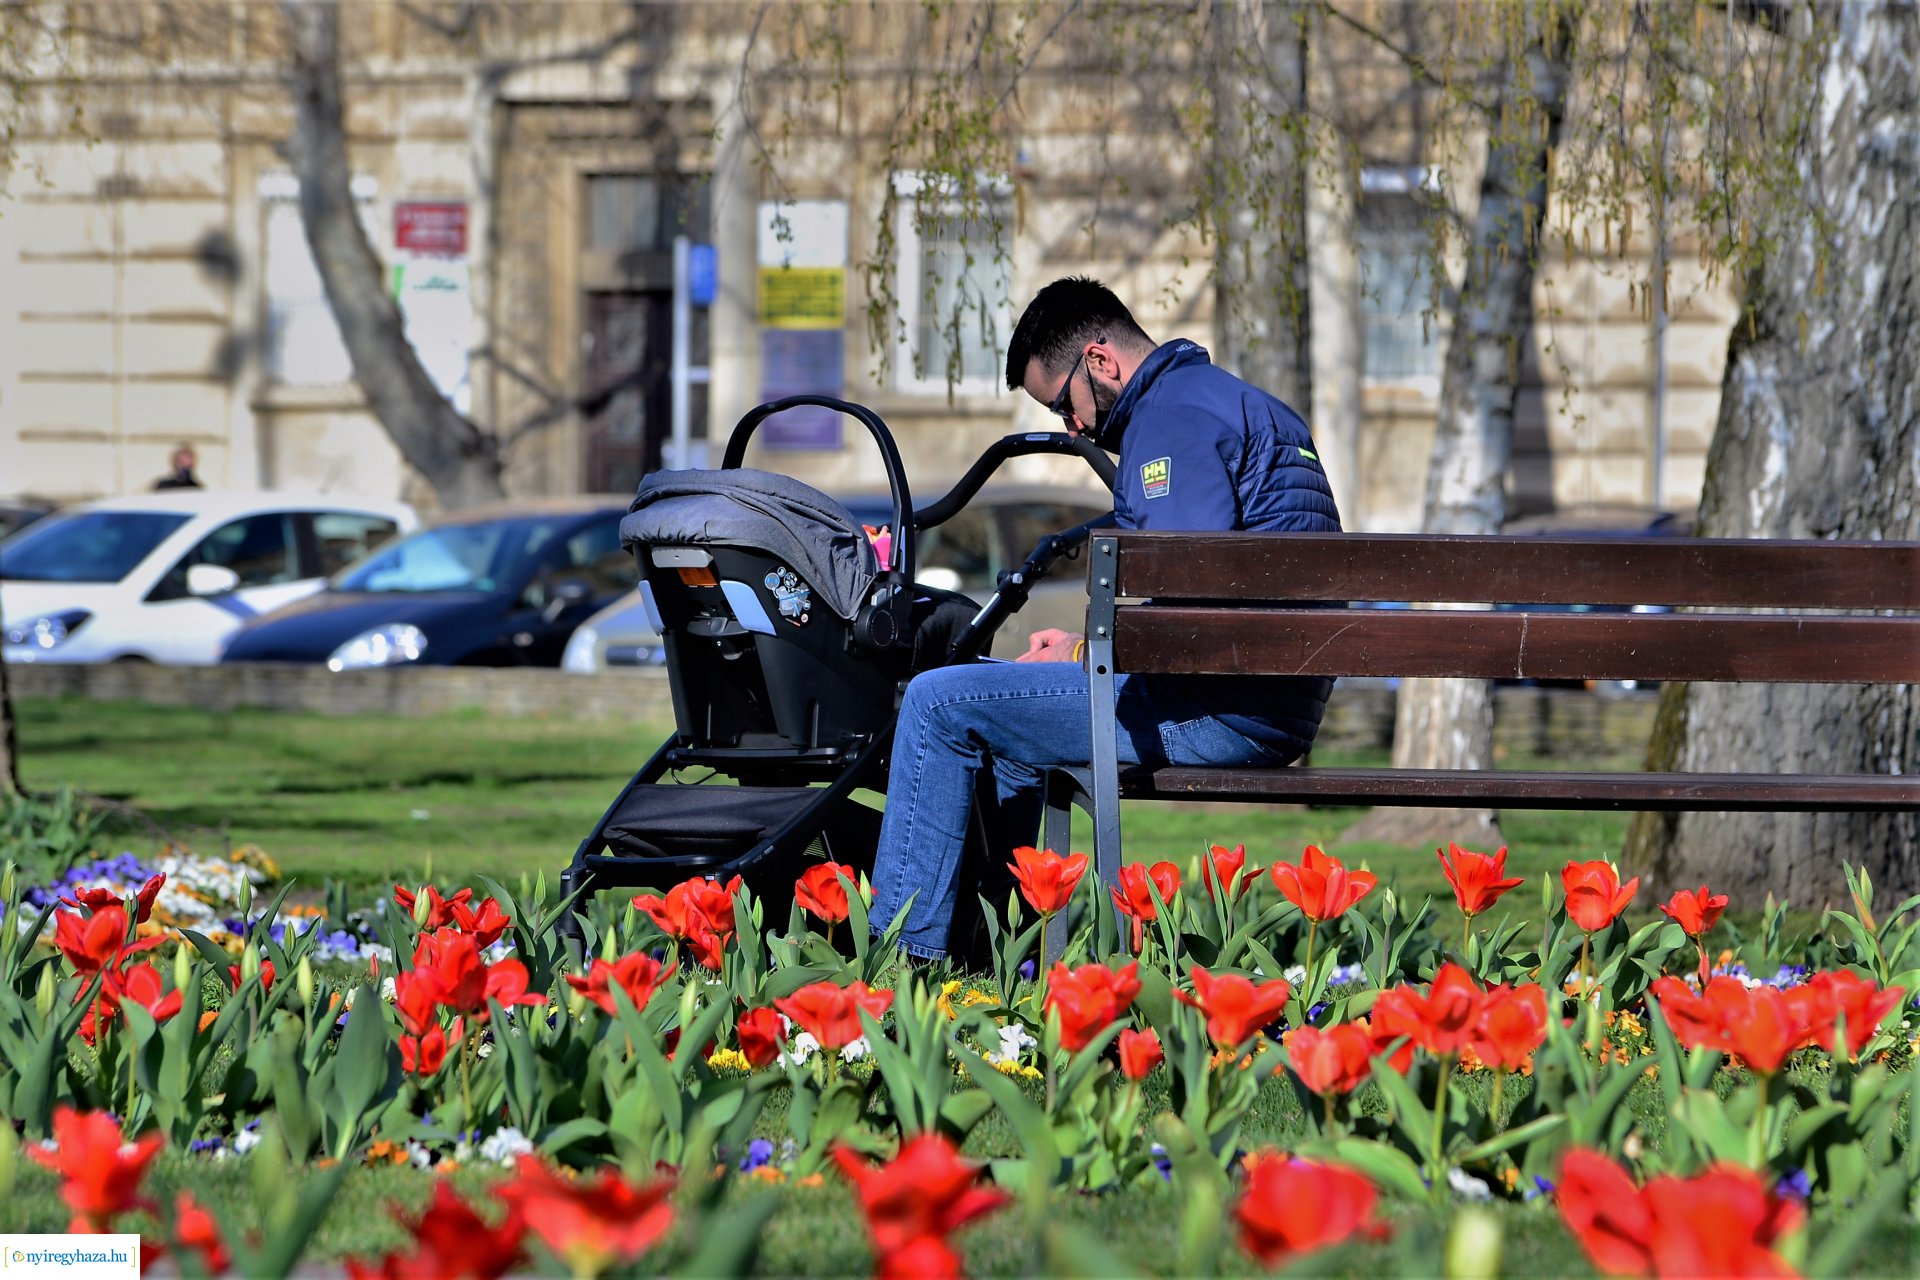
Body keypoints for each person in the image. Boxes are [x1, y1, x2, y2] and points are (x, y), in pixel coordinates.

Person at [868, 275, 1342, 960]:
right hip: (1271, 700)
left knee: (937, 700)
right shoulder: (1233, 401)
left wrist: (1084, 653)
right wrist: (1079, 646)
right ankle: (985, 952)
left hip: (1222, 711)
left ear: (1100, 361)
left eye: (1065, 404)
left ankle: (900, 958)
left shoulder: (1170, 424)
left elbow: (1188, 606)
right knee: (1002, 713)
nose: (1073, 427)